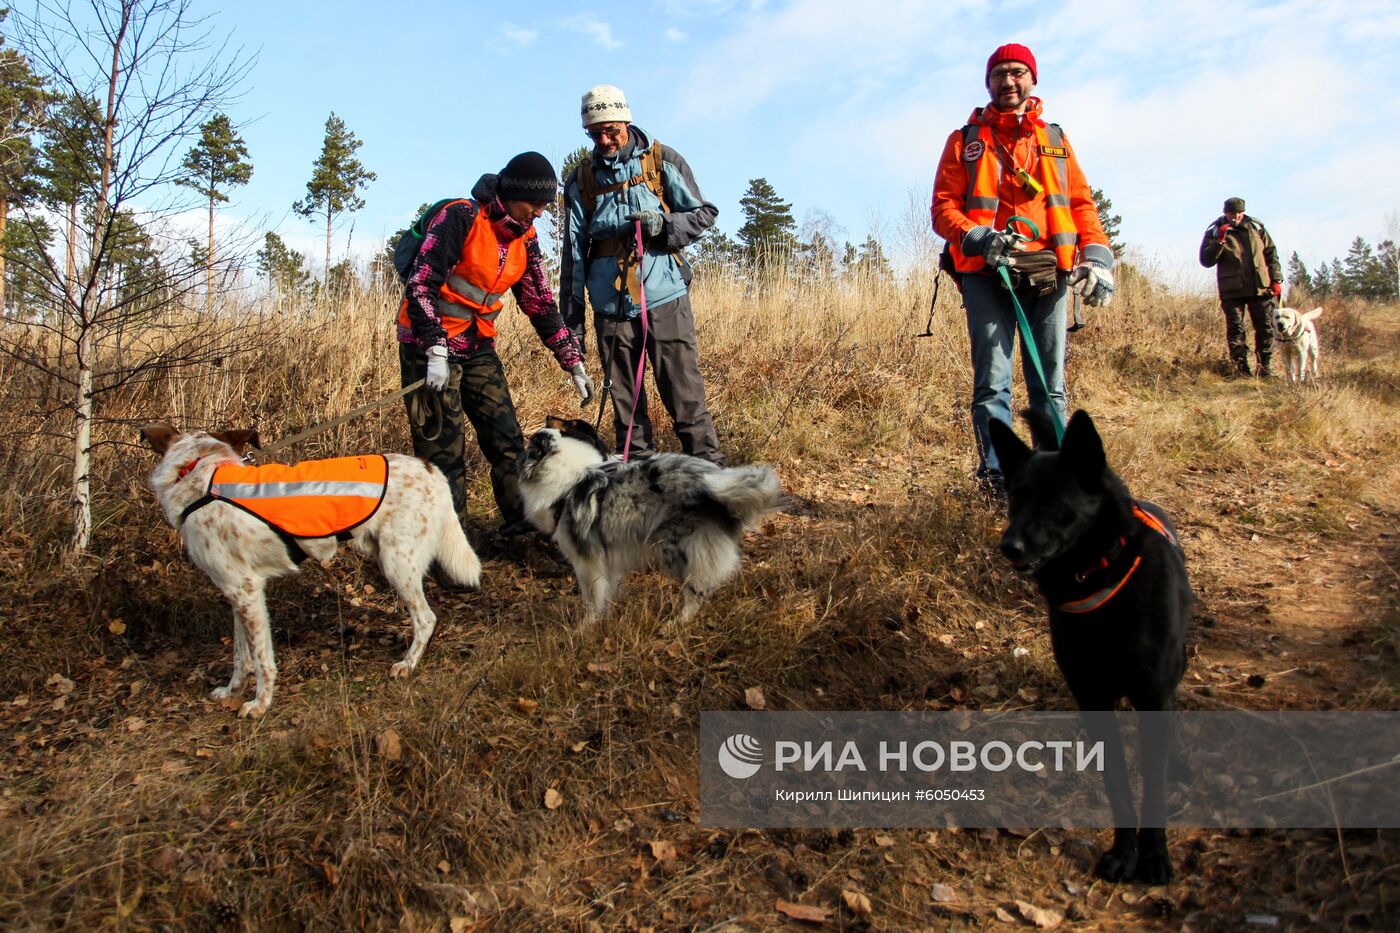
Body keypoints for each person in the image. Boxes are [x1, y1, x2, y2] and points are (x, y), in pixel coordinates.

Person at [932, 43, 1114, 496]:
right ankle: (999, 479)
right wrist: (978, 236)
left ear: (1032, 79)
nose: (1008, 81)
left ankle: (1055, 480)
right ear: (987, 82)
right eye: (999, 74)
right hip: (986, 276)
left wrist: (1097, 258)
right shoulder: (964, 140)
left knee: (1049, 386)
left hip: (1050, 275)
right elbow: (943, 208)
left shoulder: (1055, 140)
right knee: (992, 385)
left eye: (1017, 72)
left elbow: (1081, 204)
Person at [397, 151, 595, 549]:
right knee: (443, 455)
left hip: (477, 346)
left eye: (544, 205)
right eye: (533, 204)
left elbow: (540, 303)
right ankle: (447, 549)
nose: (538, 213)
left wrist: (572, 361)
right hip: (427, 349)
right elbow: (420, 283)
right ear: (512, 193)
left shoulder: (526, 237)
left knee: (508, 443)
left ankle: (527, 530)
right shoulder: (461, 217)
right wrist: (434, 347)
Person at [561, 84, 725, 464]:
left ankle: (711, 478)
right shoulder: (580, 180)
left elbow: (704, 214)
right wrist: (573, 327)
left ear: (626, 122)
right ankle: (639, 482)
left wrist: (663, 226)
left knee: (685, 396)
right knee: (627, 410)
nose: (604, 140)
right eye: (594, 134)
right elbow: (573, 258)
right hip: (610, 307)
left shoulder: (662, 159)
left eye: (611, 131)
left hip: (665, 296)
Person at [1199, 197, 1282, 377]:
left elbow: (1271, 254)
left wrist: (1276, 280)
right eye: (1232, 213)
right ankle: (1241, 370)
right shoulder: (1214, 230)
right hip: (1231, 290)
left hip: (1260, 288)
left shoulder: (1257, 227)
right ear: (1225, 213)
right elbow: (1206, 261)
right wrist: (1219, 241)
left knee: (1266, 328)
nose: (1235, 216)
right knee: (1236, 330)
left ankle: (1264, 369)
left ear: (1243, 212)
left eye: (1239, 213)